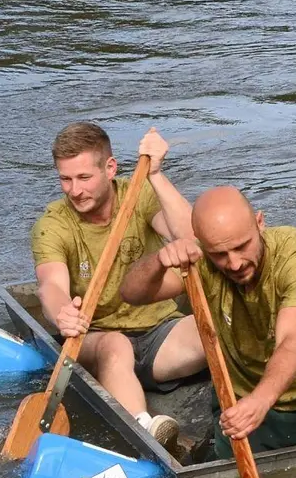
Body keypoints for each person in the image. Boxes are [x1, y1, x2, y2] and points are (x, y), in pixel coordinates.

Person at [121, 186, 296, 458]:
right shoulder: (200, 260)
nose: (234, 264)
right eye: (220, 254)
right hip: (238, 401)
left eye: (242, 247)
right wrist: (159, 262)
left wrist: (260, 401)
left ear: (260, 223)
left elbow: (293, 341)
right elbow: (131, 294)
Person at [31, 123, 207, 450]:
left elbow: (193, 238)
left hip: (159, 337)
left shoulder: (139, 194)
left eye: (84, 178)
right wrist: (62, 314)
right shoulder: (53, 224)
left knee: (216, 324)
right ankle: (144, 429)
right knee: (116, 345)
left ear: (110, 168)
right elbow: (50, 286)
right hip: (95, 339)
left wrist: (155, 174)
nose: (73, 190)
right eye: (65, 179)